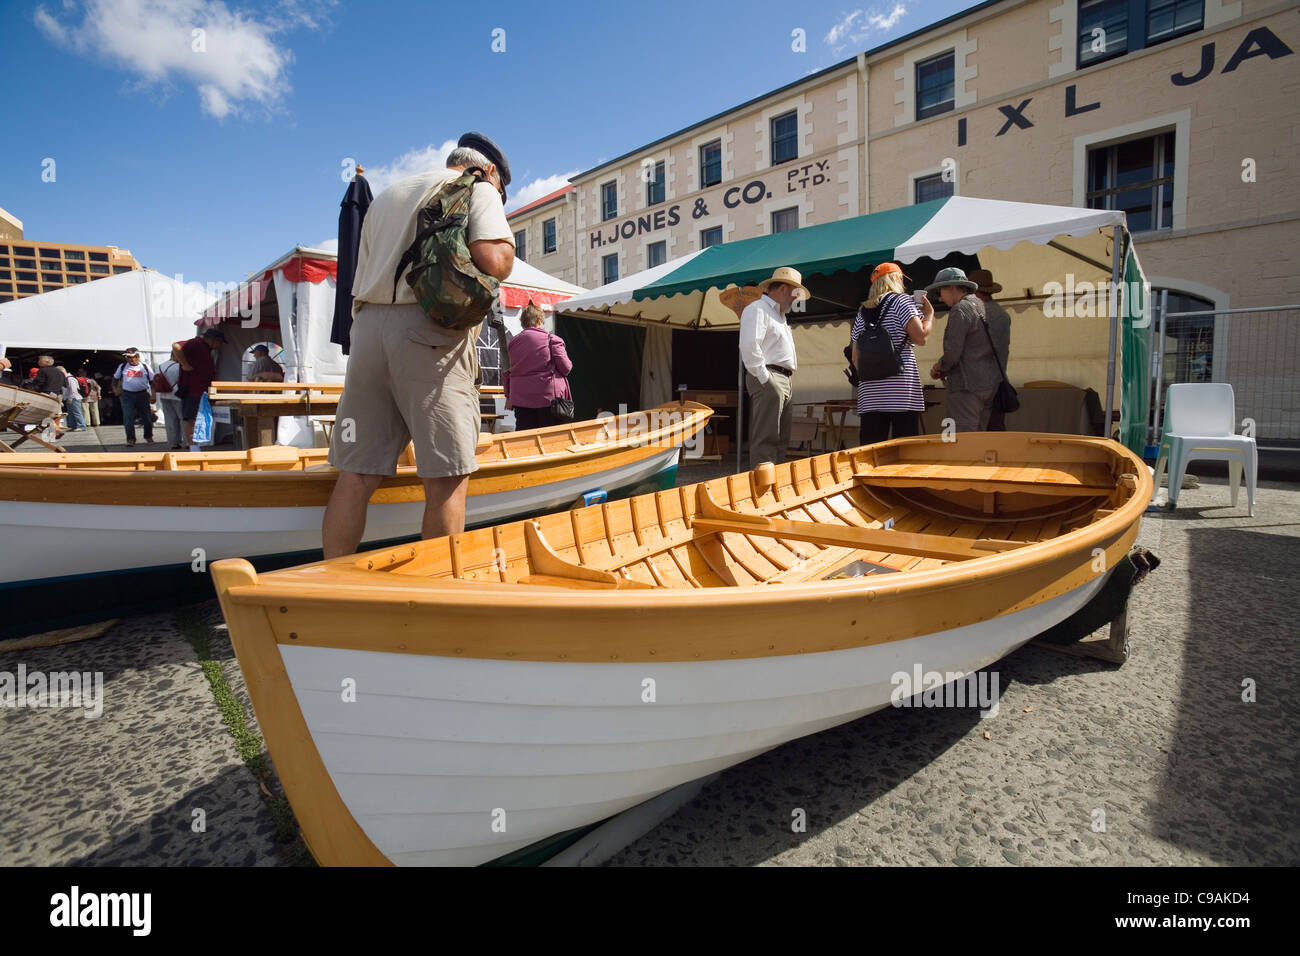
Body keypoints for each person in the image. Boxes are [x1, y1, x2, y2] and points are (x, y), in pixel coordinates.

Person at [322, 131, 514, 559]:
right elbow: (495, 261)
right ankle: (440, 599)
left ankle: (333, 585)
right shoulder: (476, 187)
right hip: (429, 333)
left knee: (356, 474)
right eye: (502, 188)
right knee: (447, 478)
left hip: (368, 328)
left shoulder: (389, 194)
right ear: (488, 172)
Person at [850, 262, 934, 445]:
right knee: (905, 453)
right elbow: (920, 338)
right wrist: (928, 315)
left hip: (870, 395)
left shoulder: (862, 312)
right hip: (901, 391)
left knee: (870, 452)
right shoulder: (902, 301)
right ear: (896, 279)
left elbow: (855, 358)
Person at [739, 266, 808, 468]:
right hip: (770, 375)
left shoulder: (778, 315)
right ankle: (762, 490)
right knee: (766, 438)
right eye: (795, 292)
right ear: (784, 289)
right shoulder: (757, 309)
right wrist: (765, 378)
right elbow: (749, 346)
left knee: (780, 438)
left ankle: (773, 485)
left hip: (781, 377)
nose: (796, 298)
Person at [928, 267, 1002, 434]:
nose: (940, 297)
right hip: (988, 384)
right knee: (979, 439)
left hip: (966, 386)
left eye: (941, 291)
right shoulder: (982, 306)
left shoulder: (960, 309)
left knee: (962, 439)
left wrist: (939, 367)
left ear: (953, 288)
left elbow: (953, 352)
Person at [504, 302, 572, 430]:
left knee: (525, 438)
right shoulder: (552, 339)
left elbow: (506, 372)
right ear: (540, 320)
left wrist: (508, 395)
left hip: (520, 398)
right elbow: (566, 368)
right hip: (547, 398)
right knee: (550, 437)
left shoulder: (512, 343)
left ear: (523, 322)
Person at [969, 269, 1012, 431]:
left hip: (978, 386)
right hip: (998, 382)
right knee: (995, 433)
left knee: (975, 436)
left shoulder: (976, 314)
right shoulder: (1002, 314)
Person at [170, 327, 225, 450]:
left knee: (197, 417)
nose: (220, 345)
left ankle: (194, 444)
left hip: (200, 389)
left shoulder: (204, 348)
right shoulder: (196, 343)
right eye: (219, 342)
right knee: (192, 418)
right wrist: (185, 364)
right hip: (193, 389)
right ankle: (192, 445)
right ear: (212, 340)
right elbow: (176, 346)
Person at [114, 349, 155, 445]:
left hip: (142, 394)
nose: (130, 359)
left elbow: (153, 382)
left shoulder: (145, 367)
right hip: (127, 395)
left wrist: (153, 394)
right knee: (128, 417)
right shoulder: (122, 367)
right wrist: (115, 389)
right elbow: (115, 379)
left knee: (147, 417)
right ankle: (130, 439)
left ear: (137, 356)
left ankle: (148, 436)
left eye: (131, 357)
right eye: (127, 357)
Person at [30, 356, 68, 436]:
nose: (38, 362)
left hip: (46, 394)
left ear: (46, 362)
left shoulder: (43, 370)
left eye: (40, 360)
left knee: (46, 413)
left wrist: (35, 390)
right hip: (58, 394)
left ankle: (54, 430)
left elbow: (39, 383)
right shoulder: (59, 371)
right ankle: (56, 428)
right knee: (56, 413)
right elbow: (65, 384)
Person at [156, 356, 184, 448]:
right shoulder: (179, 366)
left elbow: (155, 381)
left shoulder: (160, 366)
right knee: (183, 418)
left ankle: (173, 442)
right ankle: (188, 441)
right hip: (177, 395)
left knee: (169, 419)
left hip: (163, 394)